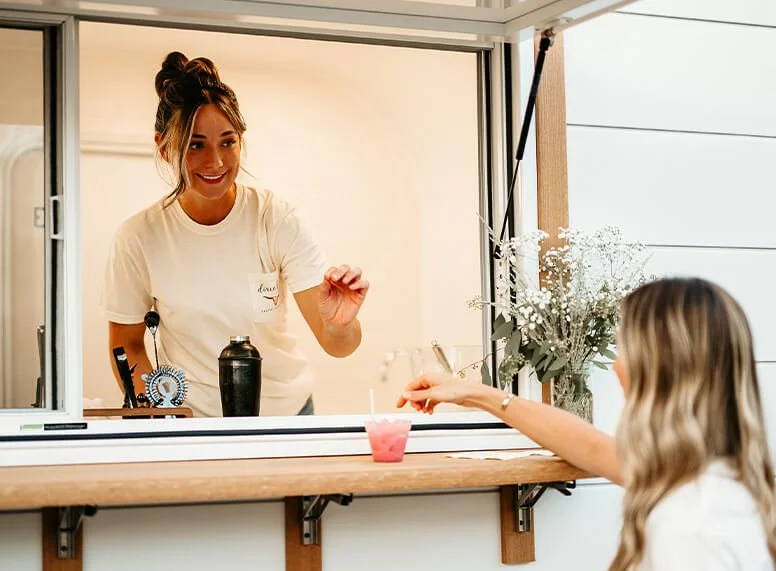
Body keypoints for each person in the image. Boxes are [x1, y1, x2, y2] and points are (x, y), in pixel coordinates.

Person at [399, 277, 775, 570]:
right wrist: (474, 393)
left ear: (658, 374)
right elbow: (590, 446)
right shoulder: (712, 476)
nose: (616, 366)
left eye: (625, 349)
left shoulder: (691, 525)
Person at [102, 51, 368, 417]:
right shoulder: (138, 237)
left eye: (228, 142)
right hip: (193, 423)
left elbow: (339, 345)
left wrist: (341, 324)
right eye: (196, 144)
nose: (216, 161)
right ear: (165, 147)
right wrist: (163, 420)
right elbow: (128, 345)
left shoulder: (275, 218)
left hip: (287, 415)